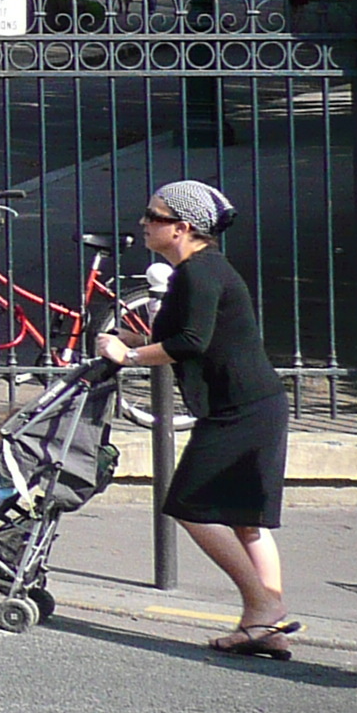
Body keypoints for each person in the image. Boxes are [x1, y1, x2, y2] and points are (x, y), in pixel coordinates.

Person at [99, 179, 294, 657]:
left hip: (242, 409)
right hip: (249, 404)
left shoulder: (200, 273)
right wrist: (126, 335)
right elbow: (179, 330)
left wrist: (128, 357)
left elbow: (190, 342)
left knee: (188, 505)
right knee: (248, 521)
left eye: (154, 216)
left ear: (181, 228)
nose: (144, 223)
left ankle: (263, 606)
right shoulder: (196, 271)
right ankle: (262, 625)